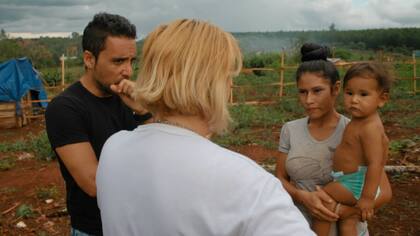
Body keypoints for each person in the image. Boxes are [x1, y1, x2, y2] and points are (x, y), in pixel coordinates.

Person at [96, 19, 314, 236]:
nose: (230, 84)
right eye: (226, 76)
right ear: (208, 83)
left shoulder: (114, 148)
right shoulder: (249, 183)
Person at [45, 13, 151, 236]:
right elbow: (94, 183)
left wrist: (142, 111)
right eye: (118, 61)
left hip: (138, 225)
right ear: (89, 59)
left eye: (131, 61)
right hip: (95, 229)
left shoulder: (127, 99)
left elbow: (164, 149)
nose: (128, 71)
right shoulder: (65, 108)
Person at [275, 43, 392, 236]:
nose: (309, 100)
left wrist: (345, 212)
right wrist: (302, 197)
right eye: (302, 92)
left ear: (335, 89)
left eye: (317, 91)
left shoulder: (355, 130)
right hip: (300, 228)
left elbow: (385, 192)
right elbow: (280, 178)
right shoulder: (290, 130)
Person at [312, 62, 392, 236]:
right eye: (349, 93)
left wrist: (367, 198)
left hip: (356, 183)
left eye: (363, 94)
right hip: (352, 180)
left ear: (382, 99)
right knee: (349, 223)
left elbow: (375, 163)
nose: (354, 100)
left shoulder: (370, 128)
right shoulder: (360, 121)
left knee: (321, 200)